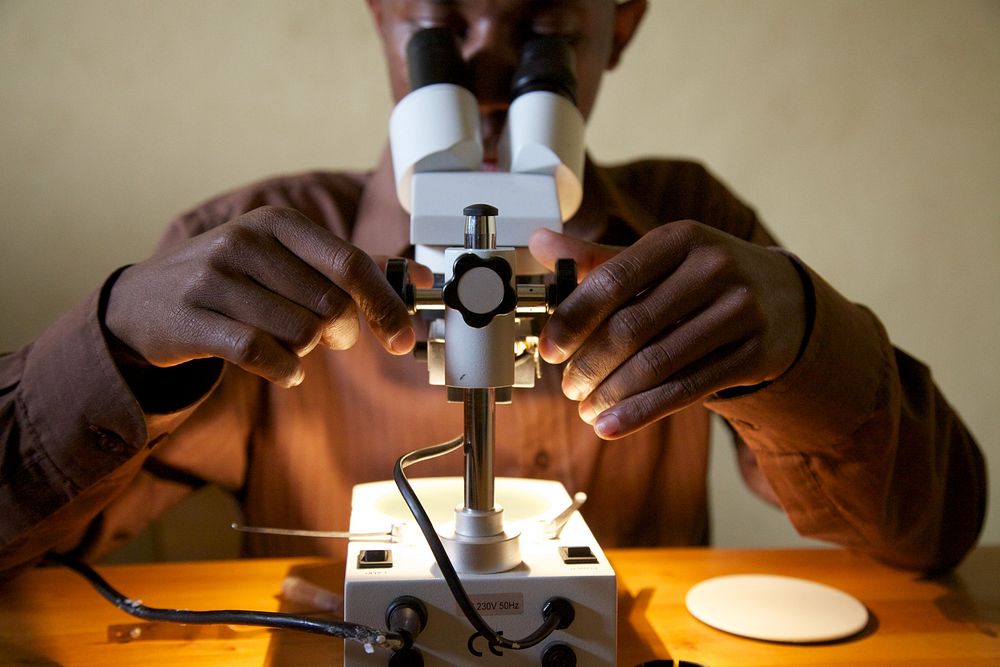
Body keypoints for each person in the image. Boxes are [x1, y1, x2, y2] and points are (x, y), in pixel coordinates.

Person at [0, 0, 985, 578]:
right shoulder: (261, 249)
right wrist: (119, 344)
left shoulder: (686, 222)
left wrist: (807, 339)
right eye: (442, 18)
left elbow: (928, 538)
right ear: (380, 13)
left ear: (623, 20)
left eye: (540, 21)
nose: (487, 55)